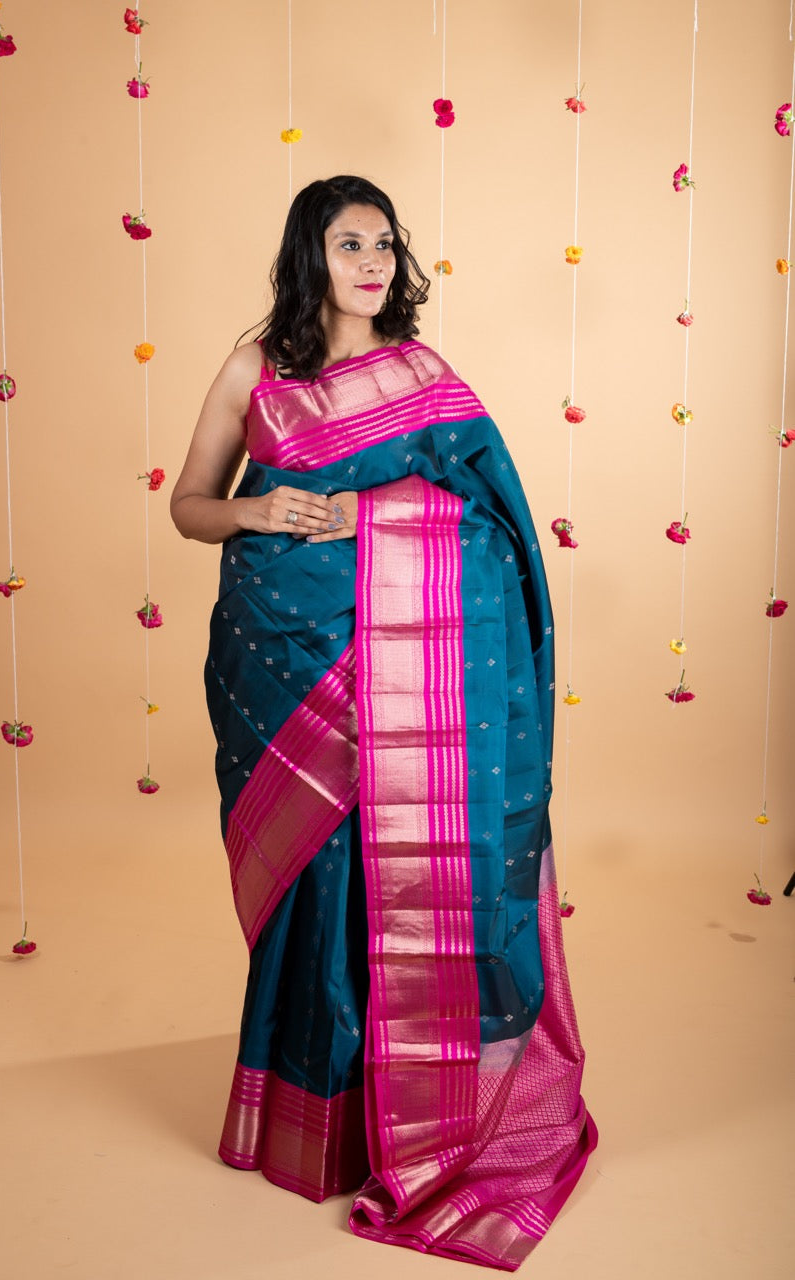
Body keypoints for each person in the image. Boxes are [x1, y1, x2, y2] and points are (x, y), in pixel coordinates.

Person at [171, 174, 597, 1272]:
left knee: (396, 870)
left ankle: (409, 1116)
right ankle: (313, 1118)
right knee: (316, 880)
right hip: (280, 657)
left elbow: (492, 524)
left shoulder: (420, 375)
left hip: (405, 663)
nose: (370, 262)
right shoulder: (254, 368)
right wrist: (254, 507)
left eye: (383, 244)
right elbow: (188, 506)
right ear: (307, 255)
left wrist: (370, 512)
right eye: (347, 243)